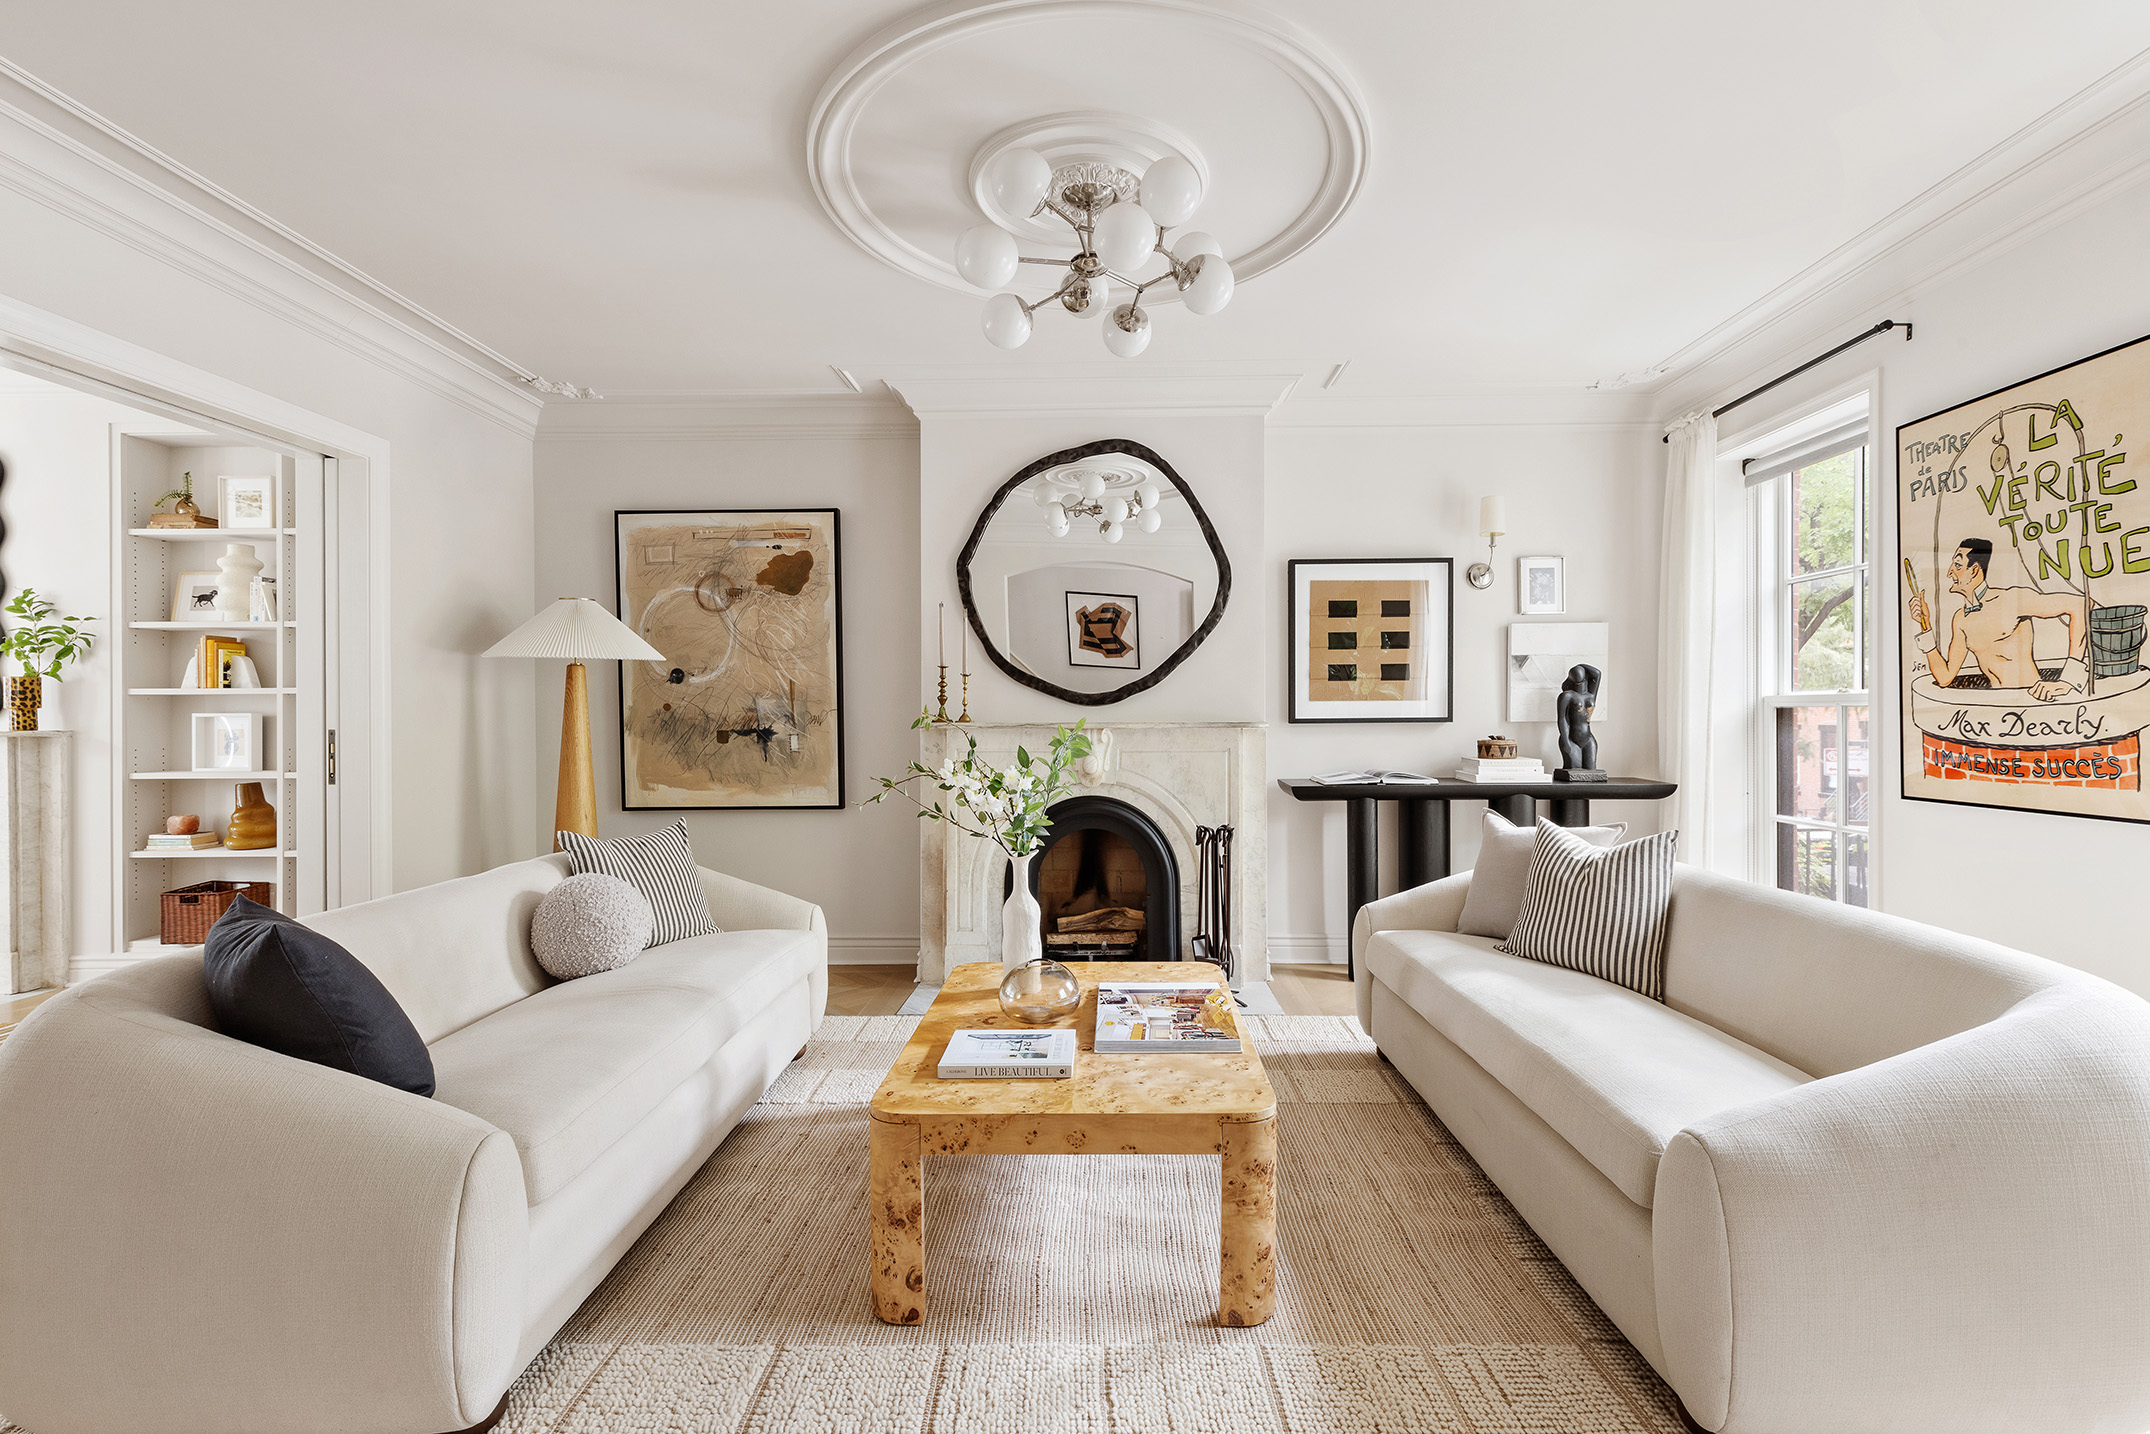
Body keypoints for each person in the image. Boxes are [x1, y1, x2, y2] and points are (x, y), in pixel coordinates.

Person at [1908, 538, 2087, 701]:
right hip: (1996, 707)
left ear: (1975, 570)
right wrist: (1926, 626)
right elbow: (1945, 677)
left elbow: (2080, 604)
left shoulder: (2010, 600)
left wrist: (2069, 681)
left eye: (1957, 565)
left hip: (2034, 700)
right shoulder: (1960, 619)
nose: (1949, 572)